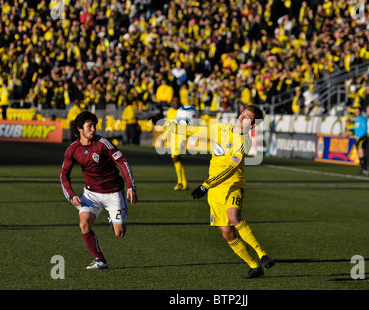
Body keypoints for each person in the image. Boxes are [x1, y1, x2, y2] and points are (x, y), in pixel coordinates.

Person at [156, 105, 275, 278]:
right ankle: (255, 266)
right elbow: (192, 130)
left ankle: (262, 253)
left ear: (253, 125)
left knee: (234, 217)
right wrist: (165, 123)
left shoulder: (245, 142)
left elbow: (231, 169)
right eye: (242, 114)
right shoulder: (221, 128)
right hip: (215, 190)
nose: (242, 118)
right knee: (227, 232)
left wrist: (206, 185)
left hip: (233, 184)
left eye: (247, 118)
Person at [60, 111, 138, 269]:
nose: (93, 129)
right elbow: (63, 175)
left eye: (94, 126)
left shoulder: (103, 144)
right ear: (79, 129)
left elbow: (123, 162)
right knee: (84, 224)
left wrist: (130, 186)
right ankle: (101, 260)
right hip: (91, 195)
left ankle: (112, 219)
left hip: (114, 192)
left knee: (119, 234)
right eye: (89, 126)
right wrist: (72, 196)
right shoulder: (72, 150)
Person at [160, 96, 189, 190]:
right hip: (173, 138)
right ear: (172, 102)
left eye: (177, 101)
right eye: (174, 101)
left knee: (176, 159)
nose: (175, 102)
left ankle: (180, 182)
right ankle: (184, 183)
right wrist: (163, 137)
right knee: (178, 160)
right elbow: (169, 126)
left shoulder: (182, 112)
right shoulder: (170, 112)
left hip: (181, 137)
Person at [350, 104, 369, 175]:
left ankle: (365, 169)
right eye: (355, 111)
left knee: (361, 153)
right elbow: (357, 129)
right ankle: (363, 169)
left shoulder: (362, 119)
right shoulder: (357, 120)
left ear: (360, 112)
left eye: (357, 111)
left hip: (362, 138)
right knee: (359, 155)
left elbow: (365, 129)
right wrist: (350, 130)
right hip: (357, 138)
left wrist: (359, 136)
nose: (356, 112)